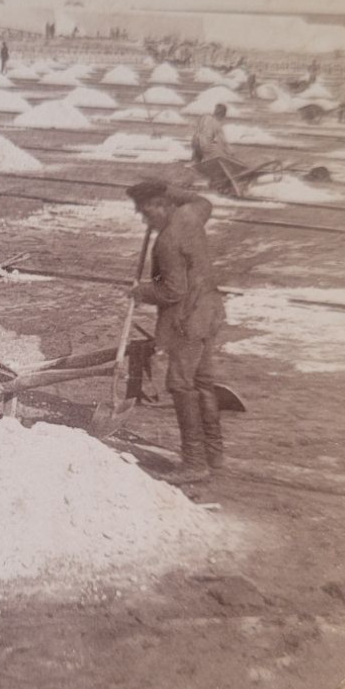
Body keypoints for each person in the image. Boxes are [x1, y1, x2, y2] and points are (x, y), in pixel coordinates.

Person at [126, 180, 226, 484]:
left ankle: (194, 463)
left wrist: (140, 291)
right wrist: (168, 190)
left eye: (147, 212)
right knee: (203, 381)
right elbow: (202, 200)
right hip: (210, 312)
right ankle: (214, 452)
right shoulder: (191, 215)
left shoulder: (167, 241)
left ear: (161, 205)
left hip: (187, 320)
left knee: (181, 385)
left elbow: (172, 291)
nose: (145, 220)